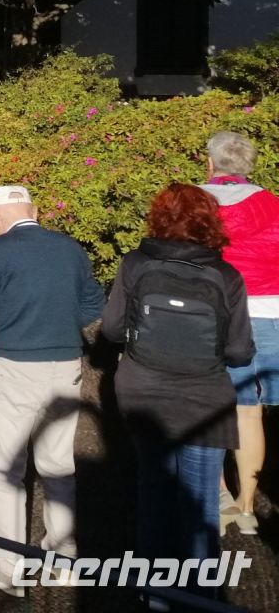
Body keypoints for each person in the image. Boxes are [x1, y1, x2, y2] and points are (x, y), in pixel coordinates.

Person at [102, 183, 254, 599]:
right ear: (210, 222)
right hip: (204, 400)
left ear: (158, 218)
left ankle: (154, 590)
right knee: (200, 501)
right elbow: (240, 352)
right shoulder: (226, 276)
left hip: (143, 391)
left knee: (153, 488)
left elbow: (113, 330)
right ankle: (200, 595)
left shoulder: (134, 265)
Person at [0, 184, 104, 593]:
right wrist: (61, 325)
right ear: (35, 210)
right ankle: (63, 558)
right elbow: (94, 303)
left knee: (7, 468)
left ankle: (11, 568)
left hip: (15, 364)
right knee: (58, 464)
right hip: (65, 364)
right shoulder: (69, 248)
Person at [201, 130, 279, 535]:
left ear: (210, 164)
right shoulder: (272, 203)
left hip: (215, 313)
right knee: (251, 411)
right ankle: (247, 508)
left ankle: (217, 497)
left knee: (210, 406)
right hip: (270, 313)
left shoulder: (196, 204)